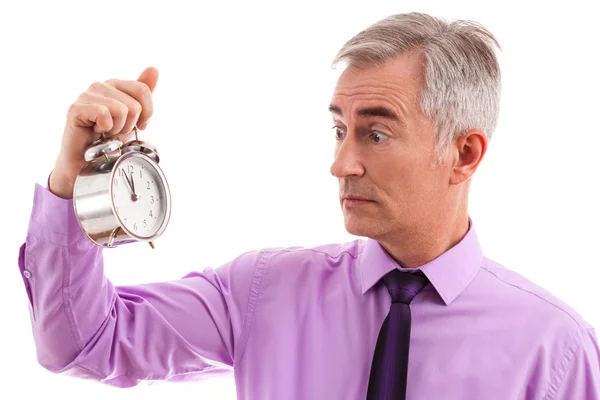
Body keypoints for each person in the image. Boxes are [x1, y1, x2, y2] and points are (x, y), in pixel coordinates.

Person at [17, 12, 600, 400]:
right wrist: (74, 181)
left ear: (465, 154)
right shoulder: (261, 291)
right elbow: (82, 344)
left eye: (374, 134)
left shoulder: (556, 351)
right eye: (338, 129)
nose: (341, 164)